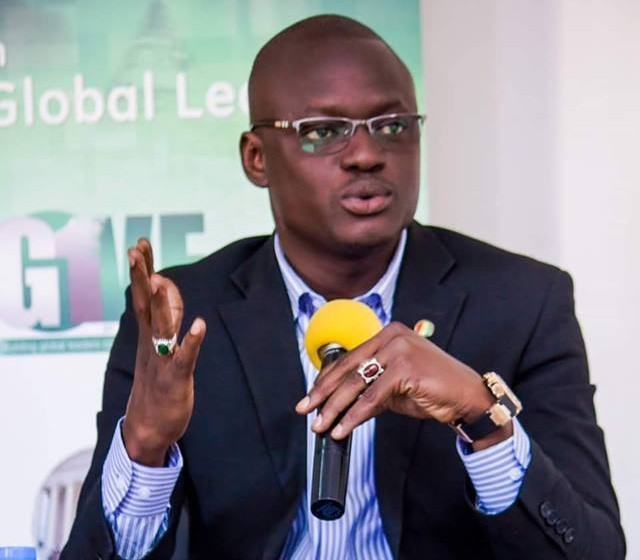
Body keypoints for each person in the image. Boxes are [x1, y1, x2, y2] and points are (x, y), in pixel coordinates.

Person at [62, 14, 625, 560]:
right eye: (323, 132)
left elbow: (593, 550)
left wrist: (481, 416)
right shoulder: (183, 317)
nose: (367, 155)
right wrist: (144, 447)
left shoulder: (521, 302)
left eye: (393, 126)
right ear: (256, 158)